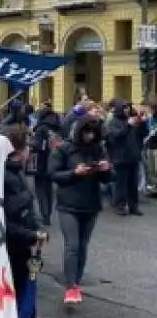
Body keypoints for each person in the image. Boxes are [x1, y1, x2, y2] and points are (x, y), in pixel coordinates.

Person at [48, 115, 112, 305]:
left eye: (93, 133)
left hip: (90, 204)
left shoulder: (98, 148)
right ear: (79, 131)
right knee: (73, 245)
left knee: (83, 245)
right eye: (86, 132)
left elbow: (109, 179)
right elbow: (54, 174)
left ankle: (76, 280)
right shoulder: (64, 148)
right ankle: (70, 286)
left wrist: (105, 169)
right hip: (68, 204)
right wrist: (74, 173)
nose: (89, 136)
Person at [0, 125, 48, 318]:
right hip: (6, 250)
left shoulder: (18, 172)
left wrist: (38, 230)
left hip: (24, 248)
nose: (30, 150)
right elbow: (3, 222)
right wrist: (32, 234)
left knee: (26, 300)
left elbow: (30, 206)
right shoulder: (0, 176)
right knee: (8, 302)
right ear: (19, 151)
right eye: (27, 146)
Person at [105, 100, 147, 215]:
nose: (127, 110)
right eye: (124, 107)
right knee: (121, 184)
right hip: (120, 157)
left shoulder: (132, 120)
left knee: (133, 184)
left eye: (128, 107)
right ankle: (120, 205)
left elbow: (142, 135)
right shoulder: (114, 122)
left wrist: (142, 123)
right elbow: (116, 136)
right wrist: (128, 125)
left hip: (132, 156)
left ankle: (134, 206)